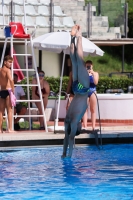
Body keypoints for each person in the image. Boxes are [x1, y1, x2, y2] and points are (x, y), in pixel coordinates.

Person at [61, 25, 90, 158]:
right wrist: (64, 153)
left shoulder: (74, 120)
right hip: (76, 89)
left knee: (79, 60)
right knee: (74, 60)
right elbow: (67, 137)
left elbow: (71, 137)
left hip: (82, 90)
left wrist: (69, 154)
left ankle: (78, 36)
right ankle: (72, 38)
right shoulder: (69, 120)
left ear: (78, 127)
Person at [82, 60, 99, 130]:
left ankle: (93, 126)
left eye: (89, 66)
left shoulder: (95, 73)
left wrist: (93, 74)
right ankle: (85, 126)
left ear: (92, 66)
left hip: (92, 91)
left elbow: (96, 82)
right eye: (87, 66)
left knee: (93, 109)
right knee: (84, 109)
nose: (88, 67)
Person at [0, 55, 14, 133]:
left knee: (1, 111)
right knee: (9, 110)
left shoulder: (0, 70)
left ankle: (0, 129)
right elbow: (11, 80)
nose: (10, 64)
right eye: (9, 62)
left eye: (11, 62)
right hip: (8, 91)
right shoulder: (8, 70)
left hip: (2, 91)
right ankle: (9, 129)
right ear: (5, 62)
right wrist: (13, 89)